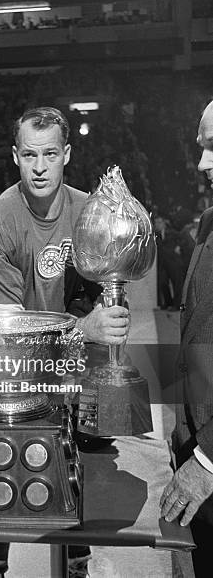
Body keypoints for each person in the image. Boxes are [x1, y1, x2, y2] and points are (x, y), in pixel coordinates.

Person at [0, 107, 130, 578]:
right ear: (15, 157)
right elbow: (9, 340)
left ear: (66, 156)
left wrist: (110, 319)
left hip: (77, 369)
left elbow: (111, 299)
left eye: (50, 154)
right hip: (12, 375)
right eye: (30, 155)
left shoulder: (92, 216)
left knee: (85, 462)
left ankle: (77, 561)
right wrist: (84, 329)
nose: (40, 167)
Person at [160, 100, 213, 577]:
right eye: (201, 149)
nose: (202, 164)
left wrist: (208, 459)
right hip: (191, 442)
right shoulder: (208, 222)